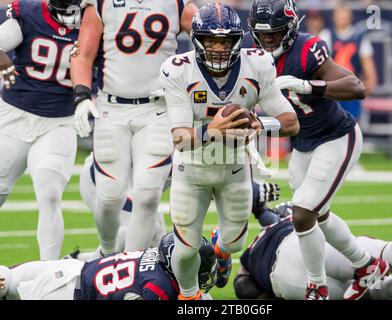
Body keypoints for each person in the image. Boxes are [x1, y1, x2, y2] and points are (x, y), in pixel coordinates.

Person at [247, 0, 388, 300]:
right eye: (263, 34)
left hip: (336, 136)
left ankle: (316, 287)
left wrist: (309, 86)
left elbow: (356, 87)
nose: (269, 39)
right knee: (317, 216)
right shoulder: (250, 54)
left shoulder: (308, 48)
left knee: (301, 214)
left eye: (276, 32)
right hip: (303, 144)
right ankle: (367, 265)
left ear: (291, 28)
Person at [160, 2, 299, 300]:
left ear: (237, 41)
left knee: (235, 243)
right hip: (191, 167)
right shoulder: (178, 71)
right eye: (210, 41)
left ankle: (220, 249)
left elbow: (291, 123)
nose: (218, 48)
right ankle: (190, 296)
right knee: (185, 250)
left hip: (234, 166)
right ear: (197, 40)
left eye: (225, 41)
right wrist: (215, 130)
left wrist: (258, 124)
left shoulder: (257, 65)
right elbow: (180, 138)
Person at [69, 0, 198, 255]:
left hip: (157, 109)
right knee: (109, 198)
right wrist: (82, 97)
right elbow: (83, 54)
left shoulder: (177, 4)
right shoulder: (100, 3)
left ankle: (131, 267)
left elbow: (213, 34)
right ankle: (108, 253)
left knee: (148, 196)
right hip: (112, 108)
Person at [66, 153, 281, 262]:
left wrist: (254, 203)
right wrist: (248, 192)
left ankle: (81, 261)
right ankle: (85, 269)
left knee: (158, 247)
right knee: (151, 233)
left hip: (134, 182)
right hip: (109, 178)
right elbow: (202, 176)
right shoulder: (175, 123)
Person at [233, 202, 392, 300]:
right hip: (305, 243)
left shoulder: (254, 249)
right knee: (381, 253)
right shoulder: (293, 220)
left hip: (285, 278)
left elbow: (244, 289)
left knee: (371, 294)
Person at [0, 0, 81, 260]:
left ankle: (49, 273)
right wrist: (4, 64)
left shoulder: (94, 21)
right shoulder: (30, 12)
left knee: (49, 193)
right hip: (14, 116)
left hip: (58, 122)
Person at [0, 232, 217, 300]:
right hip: (66, 292)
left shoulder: (155, 255)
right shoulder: (159, 287)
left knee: (6, 277)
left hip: (74, 270)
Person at [319, 6, 378, 121]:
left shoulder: (359, 37)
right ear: (333, 17)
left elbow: (368, 63)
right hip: (332, 87)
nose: (343, 17)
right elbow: (320, 63)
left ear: (351, 16)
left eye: (345, 14)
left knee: (353, 122)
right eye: (340, 14)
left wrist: (371, 80)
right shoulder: (326, 35)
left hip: (351, 86)